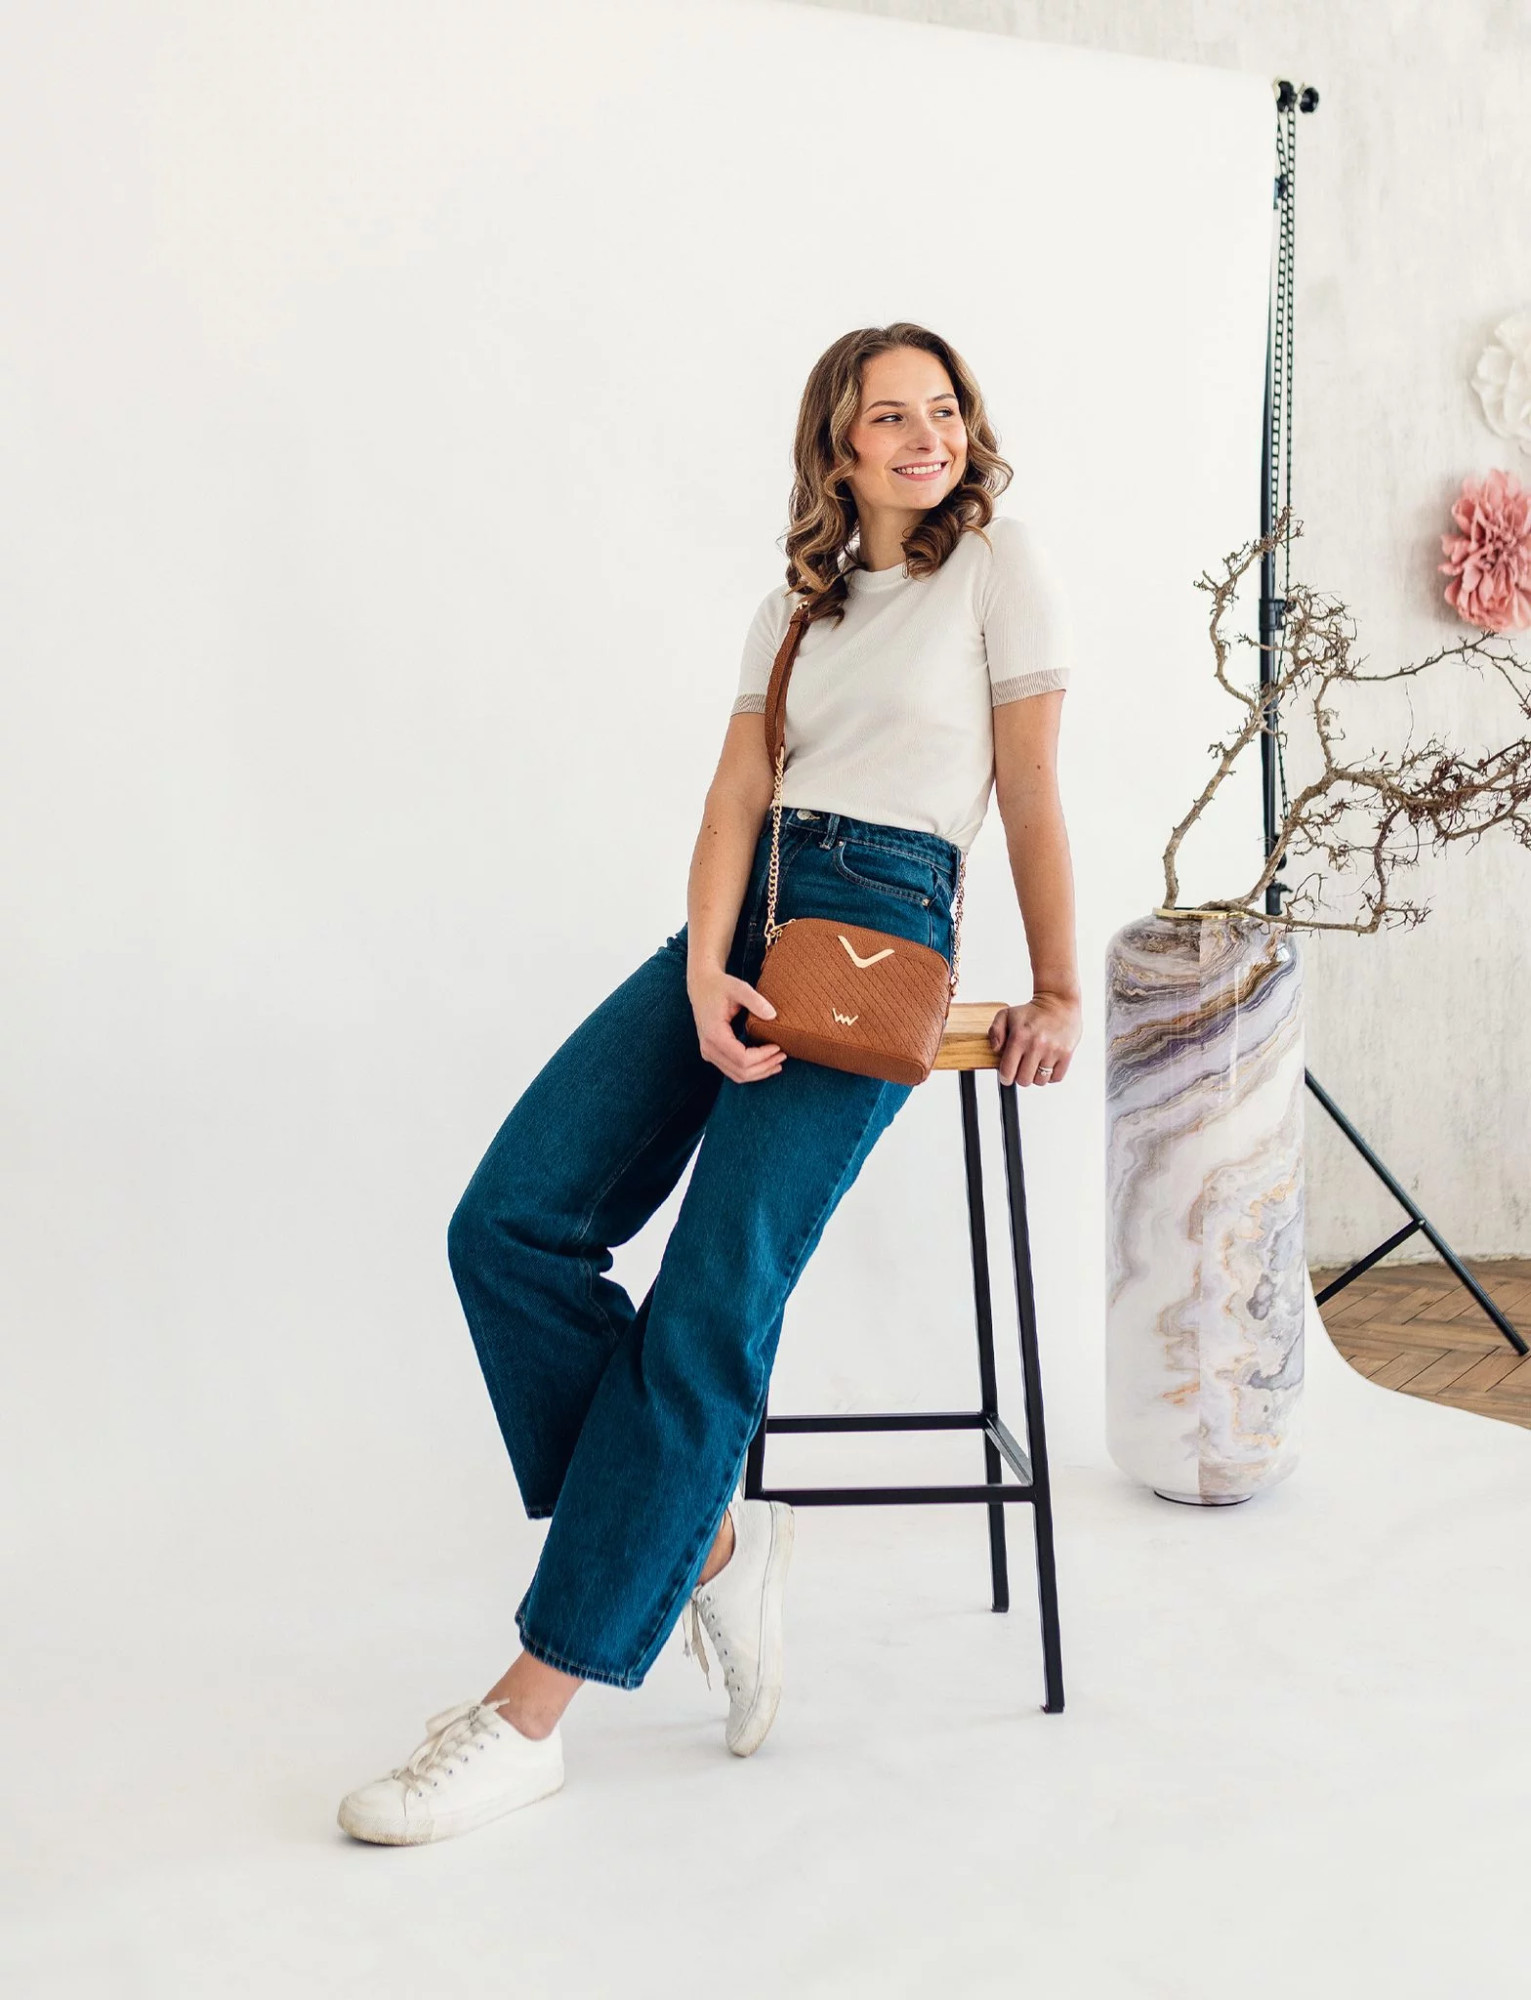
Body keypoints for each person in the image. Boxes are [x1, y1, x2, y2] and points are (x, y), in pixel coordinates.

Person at [336, 322, 1083, 1846]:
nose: (928, 437)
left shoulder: (999, 569)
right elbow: (737, 793)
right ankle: (712, 1543)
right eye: (892, 416)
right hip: (744, 920)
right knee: (510, 1226)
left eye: (944, 410)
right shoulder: (796, 607)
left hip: (879, 929)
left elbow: (1028, 790)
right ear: (839, 446)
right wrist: (699, 971)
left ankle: (529, 1714)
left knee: (708, 1306)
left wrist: (1062, 985)